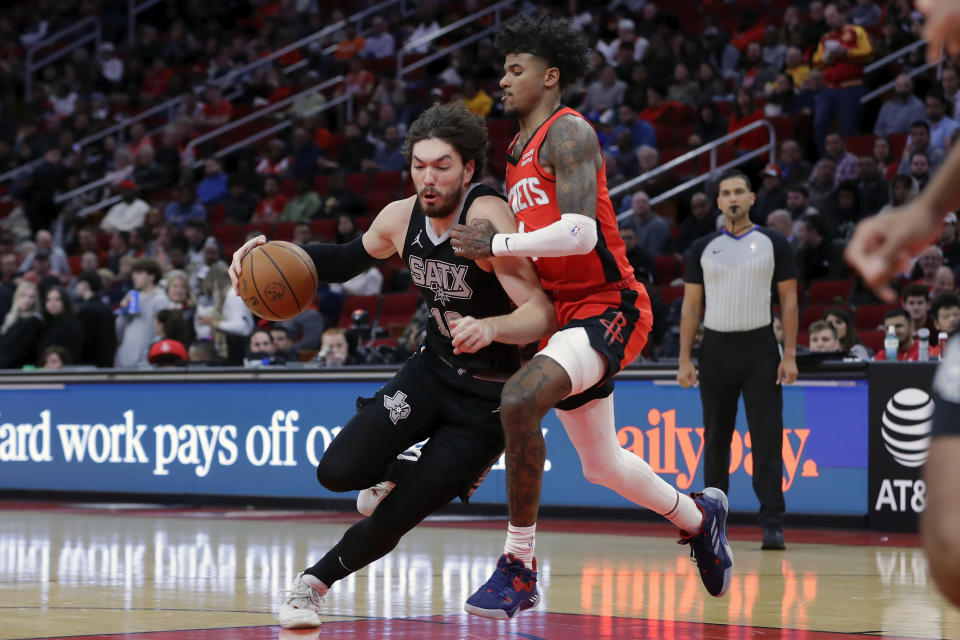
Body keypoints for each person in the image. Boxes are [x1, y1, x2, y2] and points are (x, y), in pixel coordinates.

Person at [228, 103, 556, 630]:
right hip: (431, 372)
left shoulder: (485, 220)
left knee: (397, 516)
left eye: (442, 166)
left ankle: (311, 585)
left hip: (491, 400)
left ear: (469, 169)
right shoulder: (402, 217)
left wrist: (493, 328)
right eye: (420, 165)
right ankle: (403, 473)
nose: (429, 177)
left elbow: (542, 311)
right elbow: (342, 258)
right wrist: (269, 253)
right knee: (337, 472)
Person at [449, 14, 733, 619]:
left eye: (515, 68)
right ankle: (699, 516)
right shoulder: (516, 151)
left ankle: (519, 567)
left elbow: (578, 234)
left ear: (549, 77)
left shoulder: (569, 132)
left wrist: (494, 246)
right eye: (503, 68)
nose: (503, 79)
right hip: (562, 316)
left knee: (521, 401)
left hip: (611, 304)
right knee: (601, 465)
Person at [677, 169, 799, 551]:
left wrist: (790, 353)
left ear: (750, 199)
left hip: (761, 348)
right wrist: (684, 357)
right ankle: (713, 523)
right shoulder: (702, 248)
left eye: (739, 192)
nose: (732, 198)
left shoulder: (774, 242)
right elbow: (691, 305)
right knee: (716, 440)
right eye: (725, 193)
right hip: (715, 349)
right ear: (718, 202)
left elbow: (790, 301)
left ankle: (773, 523)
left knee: (767, 439)